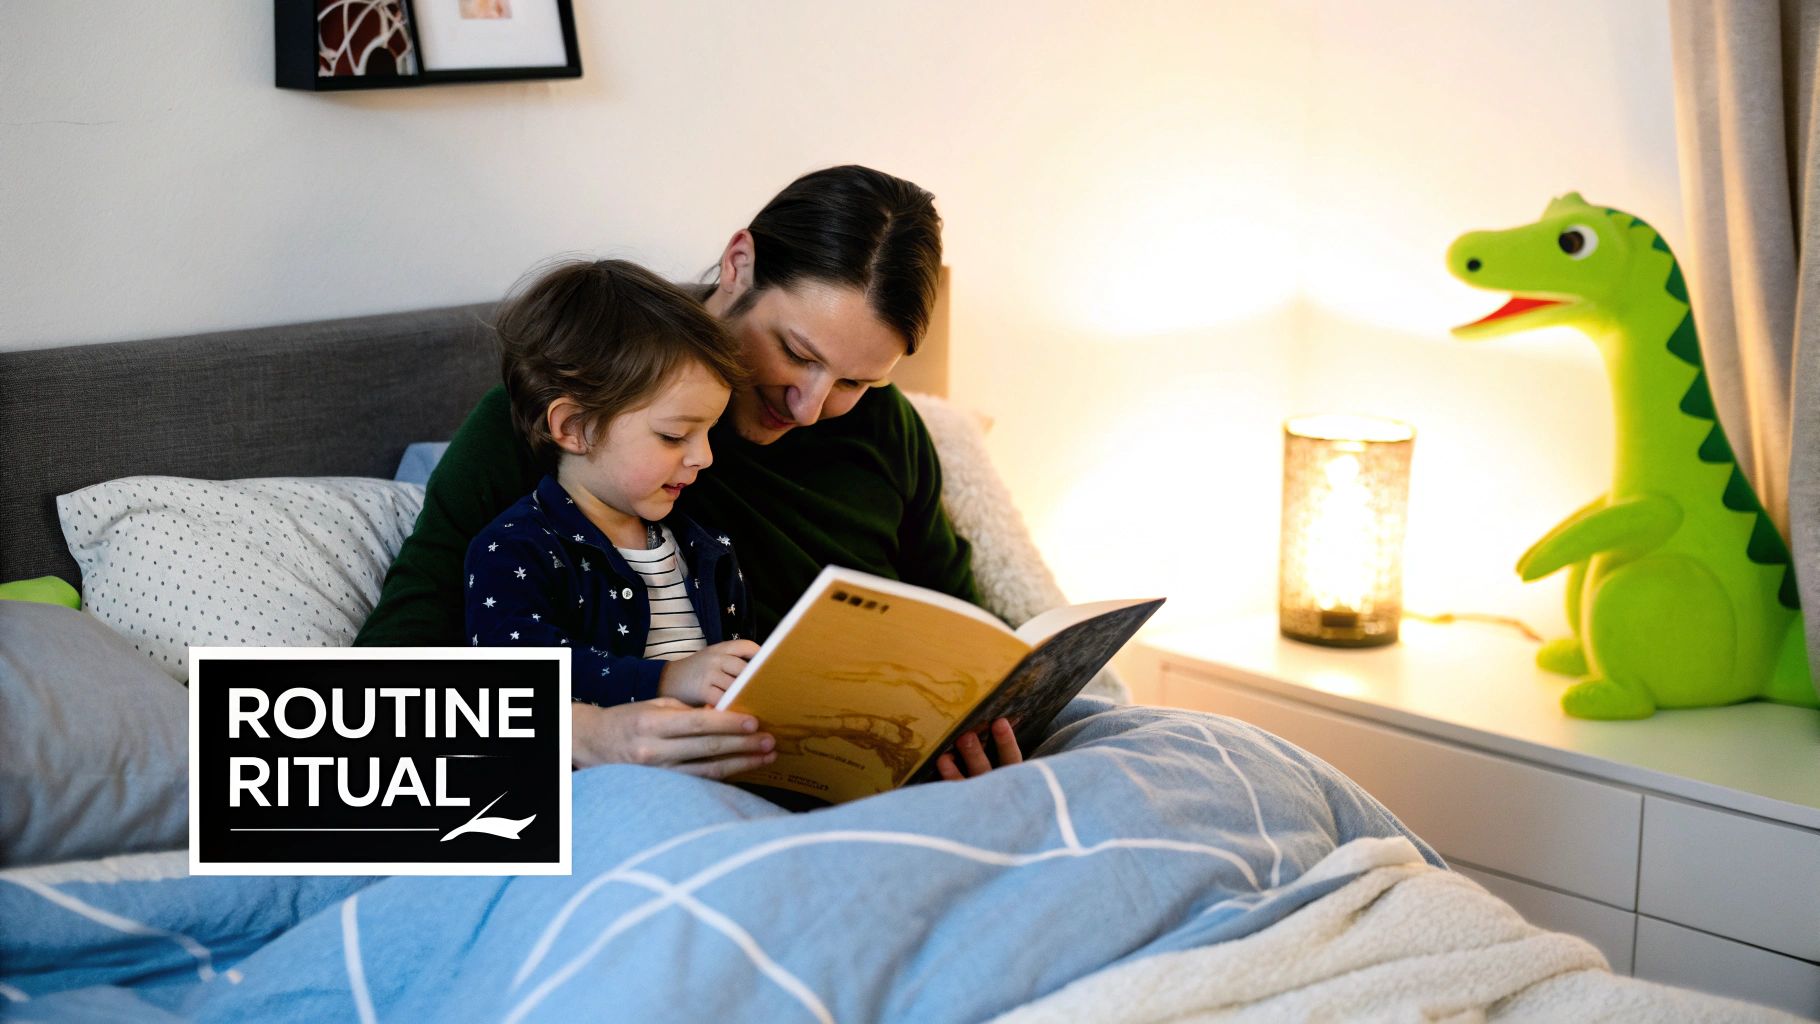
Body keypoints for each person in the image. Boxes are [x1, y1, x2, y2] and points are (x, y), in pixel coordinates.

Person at [358, 165, 1020, 782]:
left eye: (855, 381)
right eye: (796, 352)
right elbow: (384, 689)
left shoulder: (886, 427)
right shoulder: (570, 425)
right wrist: (586, 732)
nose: (810, 407)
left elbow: (967, 627)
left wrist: (980, 733)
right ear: (739, 265)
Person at [464, 259, 767, 729]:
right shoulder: (516, 548)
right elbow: (515, 680)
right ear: (575, 428)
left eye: (709, 431)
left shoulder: (709, 550)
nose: (704, 457)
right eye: (673, 436)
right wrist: (664, 679)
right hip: (603, 779)